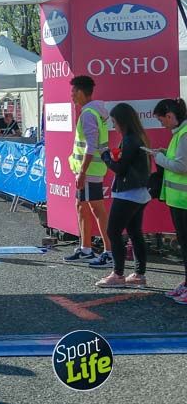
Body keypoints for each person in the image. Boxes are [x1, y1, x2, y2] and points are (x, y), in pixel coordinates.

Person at [95, 103, 150, 287]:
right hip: (140, 192)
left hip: (128, 193)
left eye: (114, 122)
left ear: (122, 121)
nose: (113, 126)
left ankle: (118, 275)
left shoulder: (129, 140)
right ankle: (138, 275)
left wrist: (105, 155)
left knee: (113, 231)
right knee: (135, 232)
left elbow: (120, 168)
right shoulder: (137, 137)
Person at [64, 76, 113, 266]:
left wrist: (82, 172)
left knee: (96, 209)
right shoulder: (92, 111)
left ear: (81, 92)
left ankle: (109, 251)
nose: (71, 95)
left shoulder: (88, 114)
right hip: (89, 170)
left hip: (89, 171)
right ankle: (86, 248)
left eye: (73, 91)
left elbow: (91, 146)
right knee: (82, 206)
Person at [146, 98, 187, 302]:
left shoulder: (184, 135)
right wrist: (164, 154)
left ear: (170, 116)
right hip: (178, 200)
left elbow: (181, 167)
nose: (162, 124)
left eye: (162, 120)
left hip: (183, 200)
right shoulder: (179, 134)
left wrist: (159, 159)